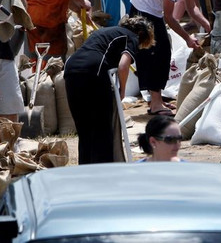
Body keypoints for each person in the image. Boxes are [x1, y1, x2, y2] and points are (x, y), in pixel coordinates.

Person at [65, 15, 155, 164]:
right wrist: (122, 91)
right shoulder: (131, 36)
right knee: (102, 127)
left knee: (84, 128)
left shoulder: (104, 32)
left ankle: (85, 169)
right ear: (141, 33)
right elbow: (123, 65)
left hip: (71, 70)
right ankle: (104, 170)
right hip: (93, 70)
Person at [129, 0, 203, 116]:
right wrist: (187, 38)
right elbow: (170, 17)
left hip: (153, 11)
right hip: (142, 9)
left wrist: (207, 25)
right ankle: (155, 104)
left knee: (164, 53)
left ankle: (157, 100)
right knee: (154, 55)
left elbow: (192, 8)